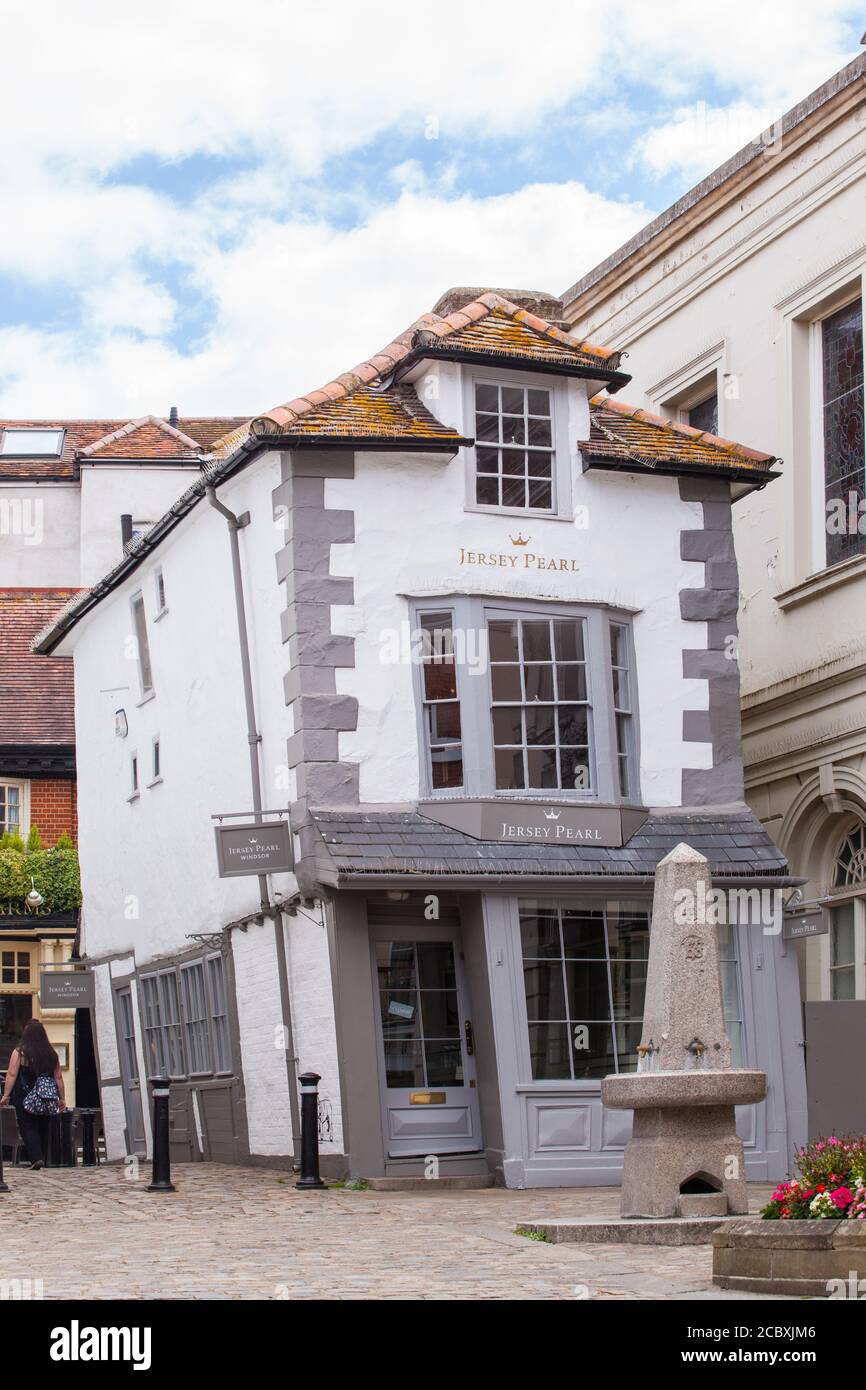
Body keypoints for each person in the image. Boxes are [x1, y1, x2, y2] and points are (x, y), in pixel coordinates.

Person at [0, 1019, 65, 1169]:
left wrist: (5, 1096)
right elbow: (58, 1077)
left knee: (28, 1125)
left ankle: (36, 1158)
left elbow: (11, 1074)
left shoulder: (20, 1052)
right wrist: (62, 1098)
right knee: (43, 1125)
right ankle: (42, 1156)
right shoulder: (51, 1054)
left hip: (25, 1095)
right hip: (47, 1095)